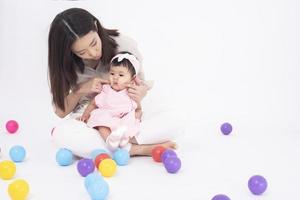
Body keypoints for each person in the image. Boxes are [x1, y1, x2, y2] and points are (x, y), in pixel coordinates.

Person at [48, 8, 186, 158]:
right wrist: (81, 89)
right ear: (69, 51)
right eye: (82, 53)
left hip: (128, 109)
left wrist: (140, 93)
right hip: (97, 120)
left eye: (94, 43)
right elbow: (60, 112)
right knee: (61, 134)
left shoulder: (124, 45)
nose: (93, 53)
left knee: (177, 119)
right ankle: (137, 149)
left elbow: (142, 85)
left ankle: (118, 144)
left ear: (96, 26)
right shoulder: (63, 64)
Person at [81, 52, 142, 151]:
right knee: (101, 122)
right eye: (112, 73)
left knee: (130, 122)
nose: (115, 77)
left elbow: (137, 109)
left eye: (121, 75)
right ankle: (109, 141)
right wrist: (85, 115)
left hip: (123, 117)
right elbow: (93, 103)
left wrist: (136, 116)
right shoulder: (106, 89)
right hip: (107, 115)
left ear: (132, 79)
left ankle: (123, 139)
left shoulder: (131, 92)